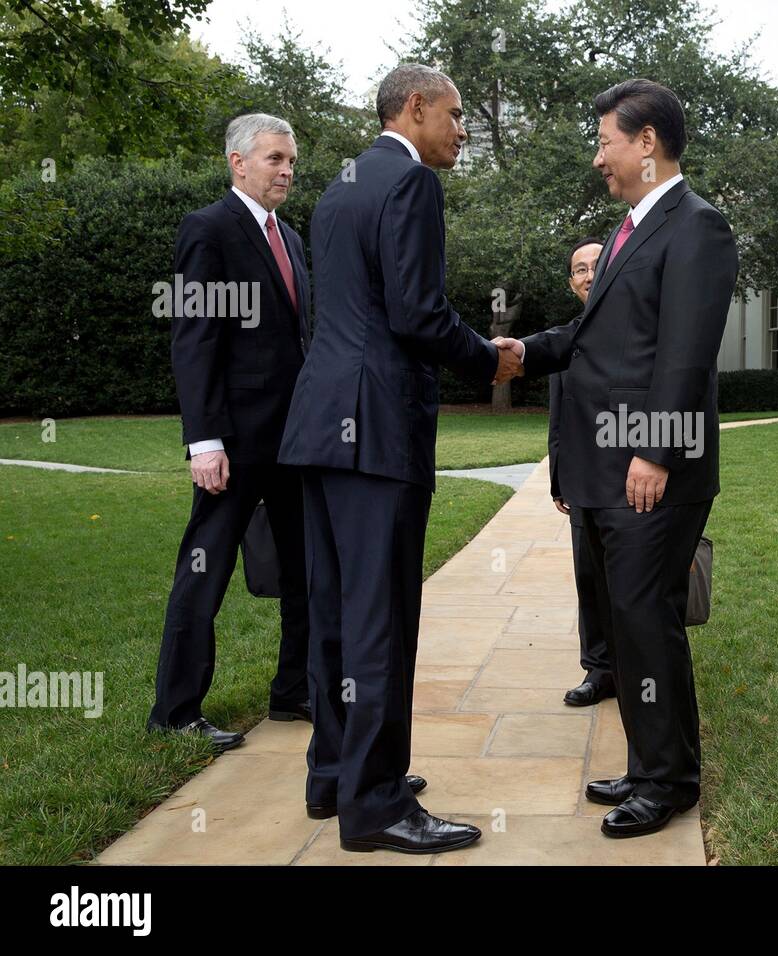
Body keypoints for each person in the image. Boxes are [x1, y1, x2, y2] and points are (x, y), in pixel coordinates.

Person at [277, 64, 522, 855]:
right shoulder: (411, 186)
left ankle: (334, 777)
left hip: (318, 424)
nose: (461, 133)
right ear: (412, 108)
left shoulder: (338, 186)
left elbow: (337, 315)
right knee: (382, 620)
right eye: (455, 116)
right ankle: (377, 805)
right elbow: (418, 315)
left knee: (334, 612)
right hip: (377, 431)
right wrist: (490, 359)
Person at [497, 79, 738, 838]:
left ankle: (668, 782)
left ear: (646, 142)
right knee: (627, 622)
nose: (597, 155)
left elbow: (685, 354)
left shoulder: (698, 227)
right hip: (609, 465)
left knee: (645, 619)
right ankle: (646, 764)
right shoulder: (631, 229)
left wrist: (656, 450)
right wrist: (521, 353)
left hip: (650, 466)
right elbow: (593, 337)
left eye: (605, 139)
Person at [148, 113, 312, 752]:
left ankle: (294, 691)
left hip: (293, 441)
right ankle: (176, 711)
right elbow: (194, 340)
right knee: (205, 569)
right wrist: (205, 440)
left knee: (305, 571)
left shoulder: (292, 239)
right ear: (238, 163)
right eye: (275, 159)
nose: (287, 171)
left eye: (291, 160)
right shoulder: (208, 230)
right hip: (234, 444)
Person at [551, 236, 617, 707]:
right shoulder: (565, 339)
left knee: (631, 581)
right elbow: (559, 421)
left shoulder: (637, 327)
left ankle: (639, 669)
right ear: (572, 282)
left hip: (630, 477)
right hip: (581, 482)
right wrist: (559, 480)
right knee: (589, 578)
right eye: (580, 269)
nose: (589, 275)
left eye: (597, 264)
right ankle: (599, 669)